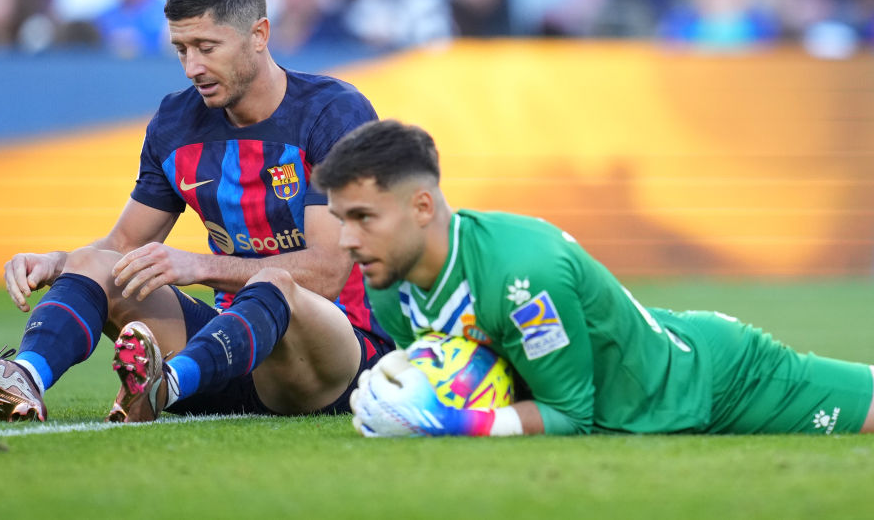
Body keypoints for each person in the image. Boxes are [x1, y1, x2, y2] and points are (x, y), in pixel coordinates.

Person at [0, 0, 393, 423]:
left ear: (259, 35)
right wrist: (58, 263)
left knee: (275, 285)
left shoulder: (334, 113)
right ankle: (24, 377)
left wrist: (199, 267)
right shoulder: (175, 122)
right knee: (94, 262)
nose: (192, 67)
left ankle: (164, 383)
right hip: (227, 356)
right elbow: (122, 246)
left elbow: (328, 272)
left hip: (332, 362)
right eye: (181, 49)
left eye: (207, 47)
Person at [313, 119, 874, 437]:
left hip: (711, 381)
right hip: (639, 399)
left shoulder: (520, 273)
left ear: (421, 207)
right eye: (341, 220)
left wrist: (452, 424)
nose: (347, 240)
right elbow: (473, 379)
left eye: (364, 217)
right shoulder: (389, 285)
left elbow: (569, 415)